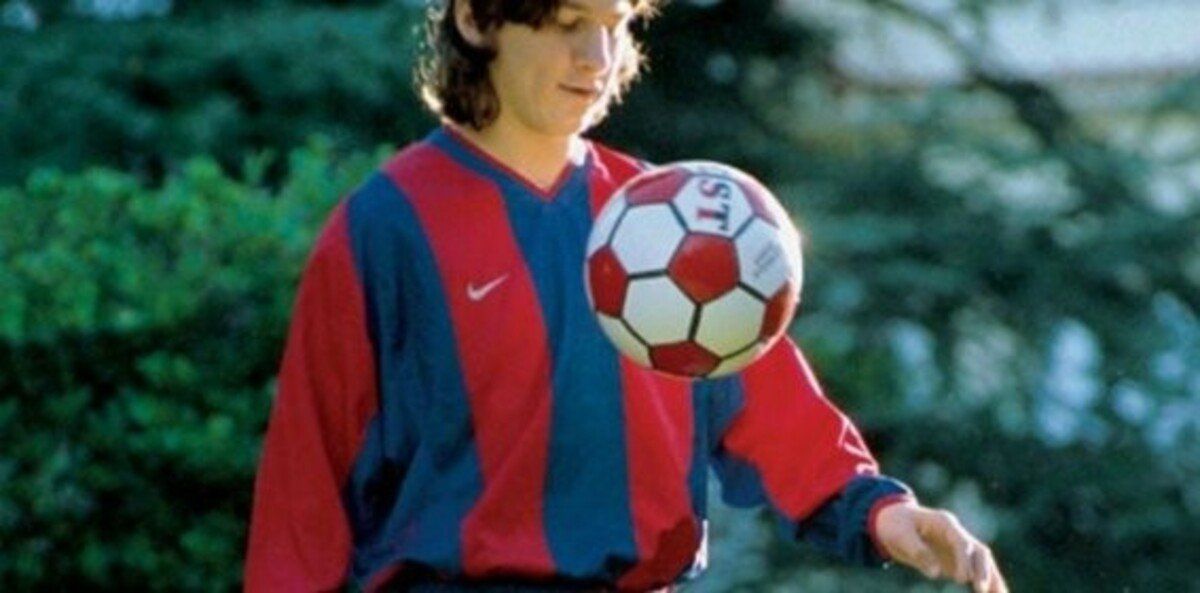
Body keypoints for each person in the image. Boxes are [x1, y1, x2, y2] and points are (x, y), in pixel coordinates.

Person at [244, 0, 1009, 591]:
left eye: (614, 22)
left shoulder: (674, 216)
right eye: (569, 23)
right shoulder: (387, 224)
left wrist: (887, 515)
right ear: (477, 18)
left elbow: (780, 418)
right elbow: (304, 494)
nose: (597, 57)